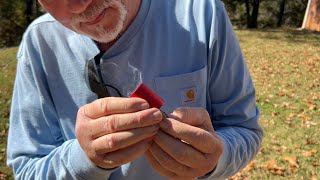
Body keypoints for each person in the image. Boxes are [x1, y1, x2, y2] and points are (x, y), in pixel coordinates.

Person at [6, 0, 263, 179]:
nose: (79, 4)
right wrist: (82, 159)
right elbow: (28, 168)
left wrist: (215, 158)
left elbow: (244, 129)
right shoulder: (39, 44)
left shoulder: (202, 14)